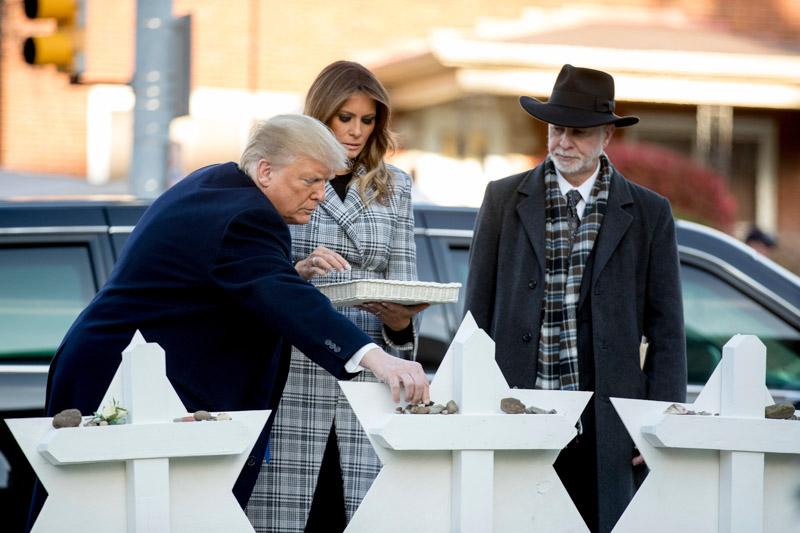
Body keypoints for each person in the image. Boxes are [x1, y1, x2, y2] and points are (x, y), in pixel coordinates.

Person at [27, 114, 429, 530]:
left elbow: (239, 277)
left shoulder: (217, 184)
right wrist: (377, 358)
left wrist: (293, 273)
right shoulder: (248, 216)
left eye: (325, 182)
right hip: (122, 388)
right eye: (309, 181)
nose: (320, 195)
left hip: (117, 370)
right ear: (265, 170)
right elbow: (282, 297)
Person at [464, 65, 686, 533]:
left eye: (579, 132)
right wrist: (474, 407)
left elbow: (667, 330)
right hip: (517, 416)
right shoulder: (503, 199)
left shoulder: (649, 212)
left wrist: (660, 423)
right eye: (556, 128)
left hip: (607, 427)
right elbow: (475, 319)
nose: (564, 142)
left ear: (607, 135)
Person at [245, 61, 426, 533]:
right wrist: (300, 270)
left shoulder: (397, 186)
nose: (356, 131)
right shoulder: (283, 171)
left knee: (358, 517)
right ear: (322, 113)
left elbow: (405, 283)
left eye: (367, 121)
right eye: (345, 117)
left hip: (368, 381)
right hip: (292, 375)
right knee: (282, 520)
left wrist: (400, 322)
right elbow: (253, 276)